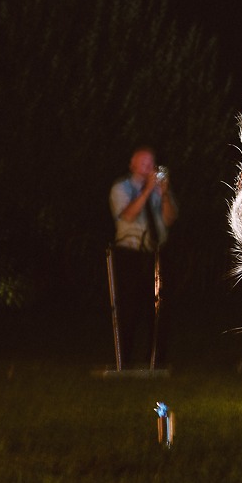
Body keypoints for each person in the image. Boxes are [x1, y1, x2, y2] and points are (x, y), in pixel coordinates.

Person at [108, 146, 178, 369]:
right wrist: (147, 191)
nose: (149, 167)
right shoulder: (121, 188)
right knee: (129, 308)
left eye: (152, 162)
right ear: (133, 165)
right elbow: (128, 215)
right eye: (144, 163)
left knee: (157, 308)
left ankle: (155, 360)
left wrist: (164, 194)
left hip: (155, 253)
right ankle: (124, 361)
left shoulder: (158, 189)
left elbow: (170, 219)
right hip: (130, 253)